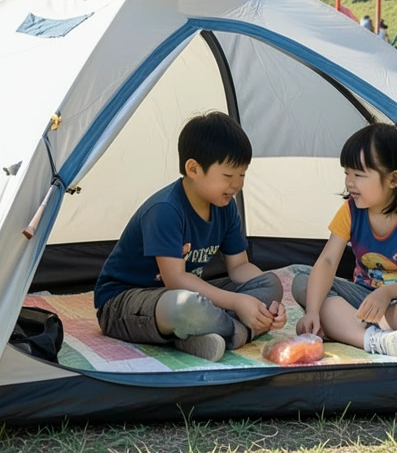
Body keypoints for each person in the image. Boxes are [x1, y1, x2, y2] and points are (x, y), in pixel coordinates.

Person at [93, 112, 286, 362]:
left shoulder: (226, 206)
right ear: (193, 169)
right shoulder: (165, 210)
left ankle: (201, 334)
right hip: (125, 303)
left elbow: (239, 266)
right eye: (228, 176)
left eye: (242, 175)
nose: (237, 185)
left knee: (270, 284)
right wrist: (238, 303)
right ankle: (239, 331)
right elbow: (176, 280)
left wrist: (262, 308)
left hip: (185, 294)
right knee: (183, 306)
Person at [293, 121, 397, 357]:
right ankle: (376, 340)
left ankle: (344, 326)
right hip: (364, 298)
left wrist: (387, 293)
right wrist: (312, 311)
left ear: (394, 180)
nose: (349, 182)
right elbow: (327, 261)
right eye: (347, 173)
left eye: (358, 175)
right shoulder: (350, 211)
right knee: (303, 281)